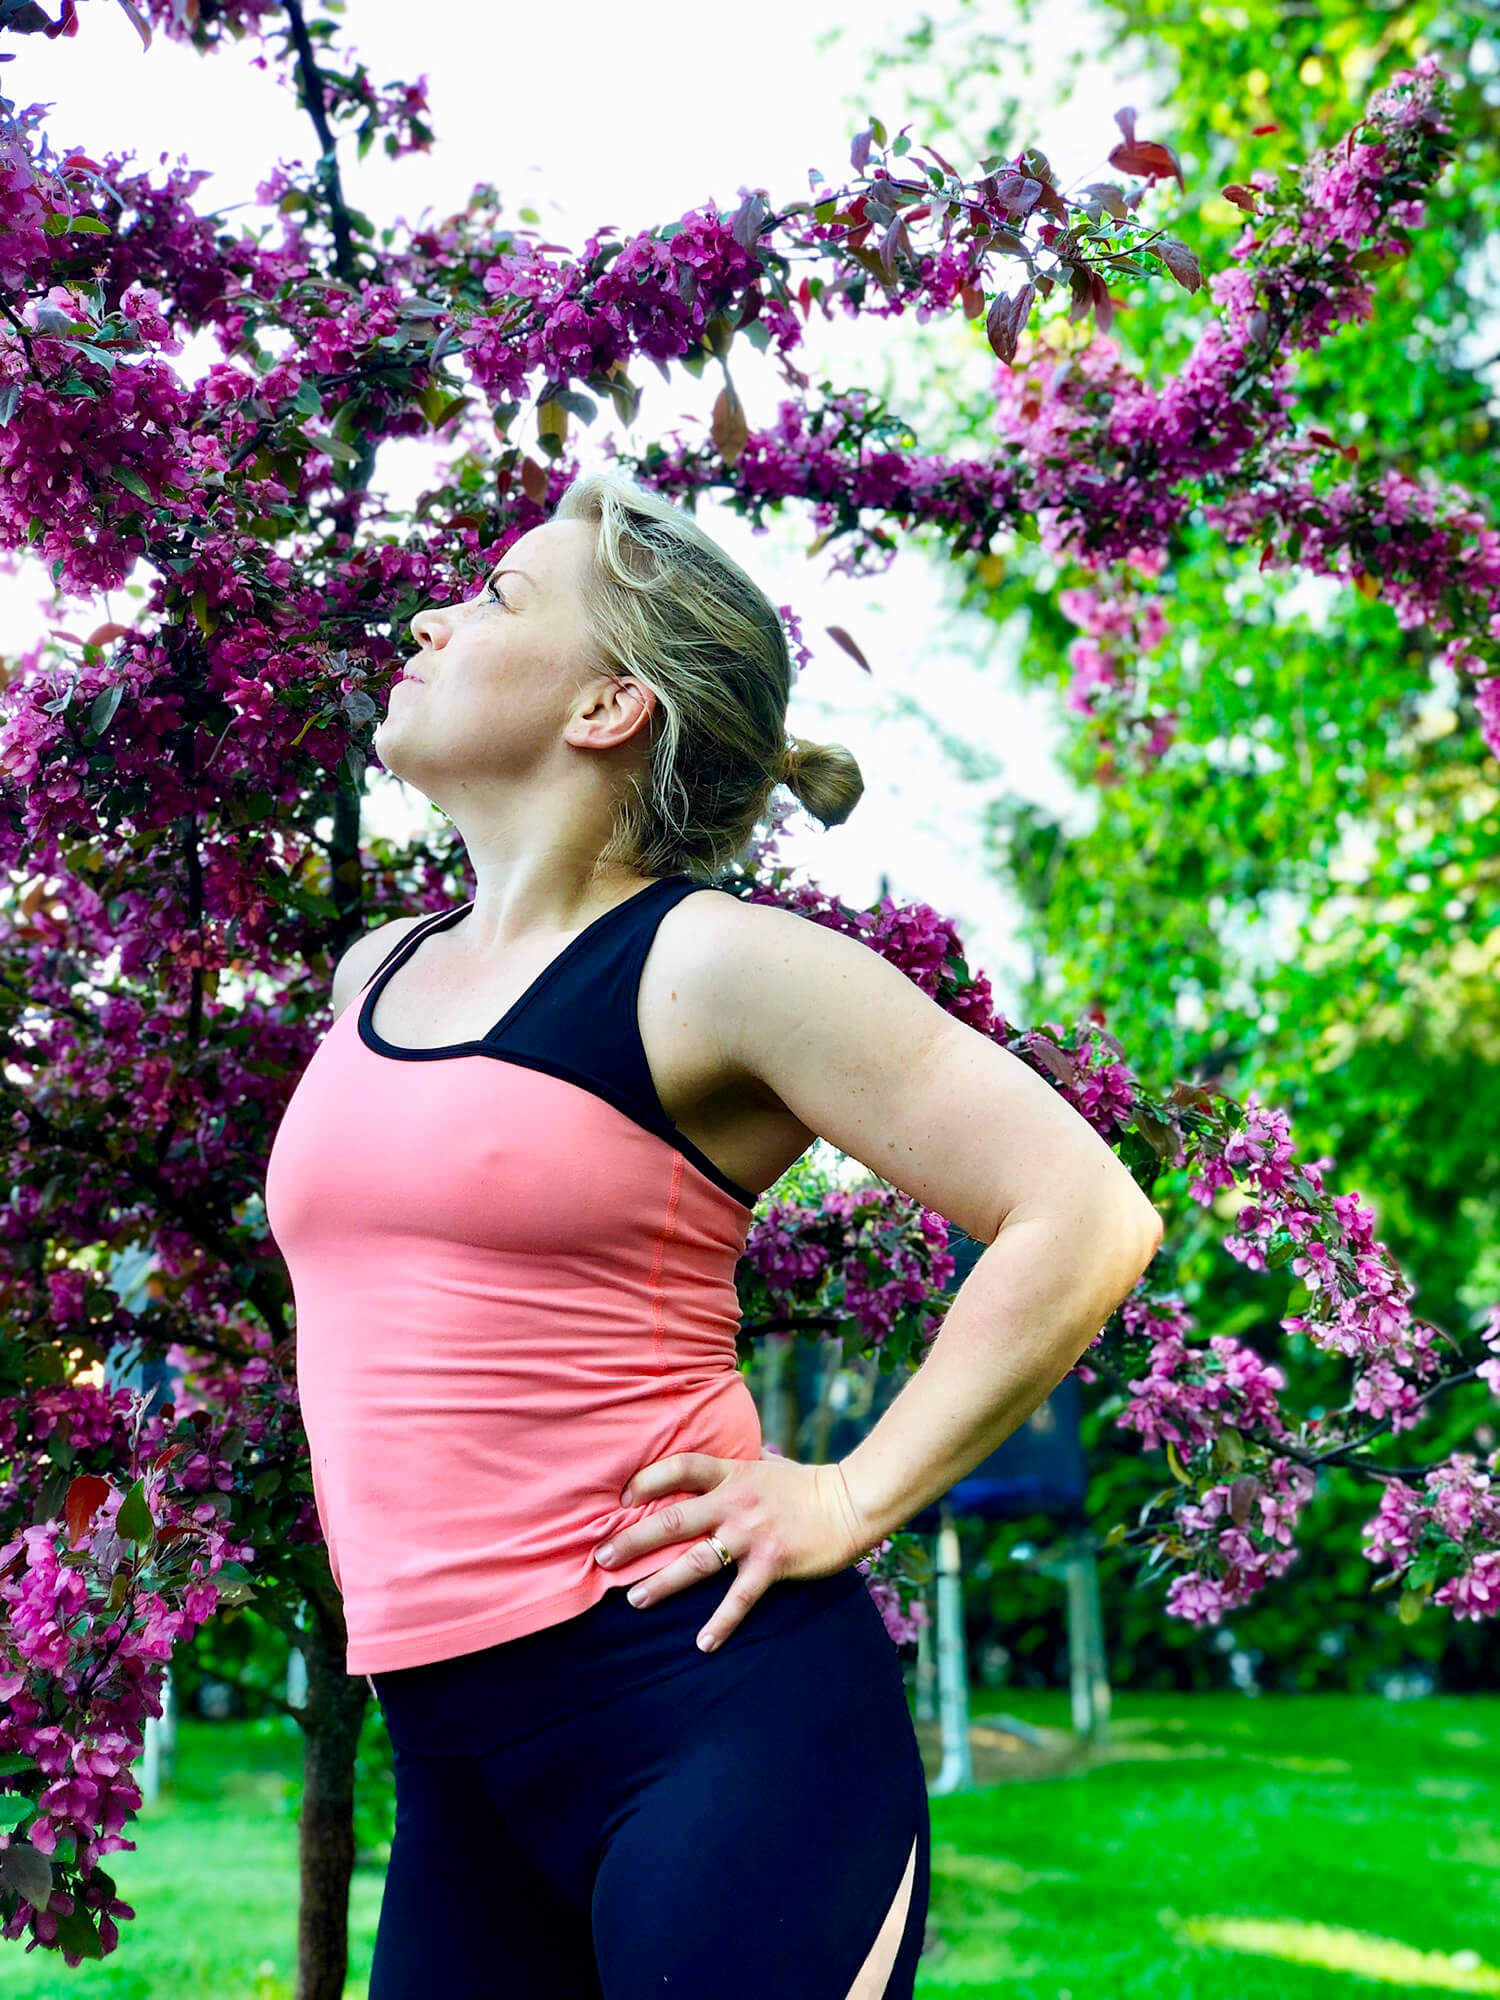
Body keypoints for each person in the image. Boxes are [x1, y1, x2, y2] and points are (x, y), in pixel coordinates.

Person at [262, 469, 1163, 1997]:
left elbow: (1081, 1211)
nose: (430, 614)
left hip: (710, 1718)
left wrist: (854, 1493)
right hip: (454, 1760)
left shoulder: (714, 967)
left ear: (610, 705)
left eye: (495, 598)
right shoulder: (376, 972)